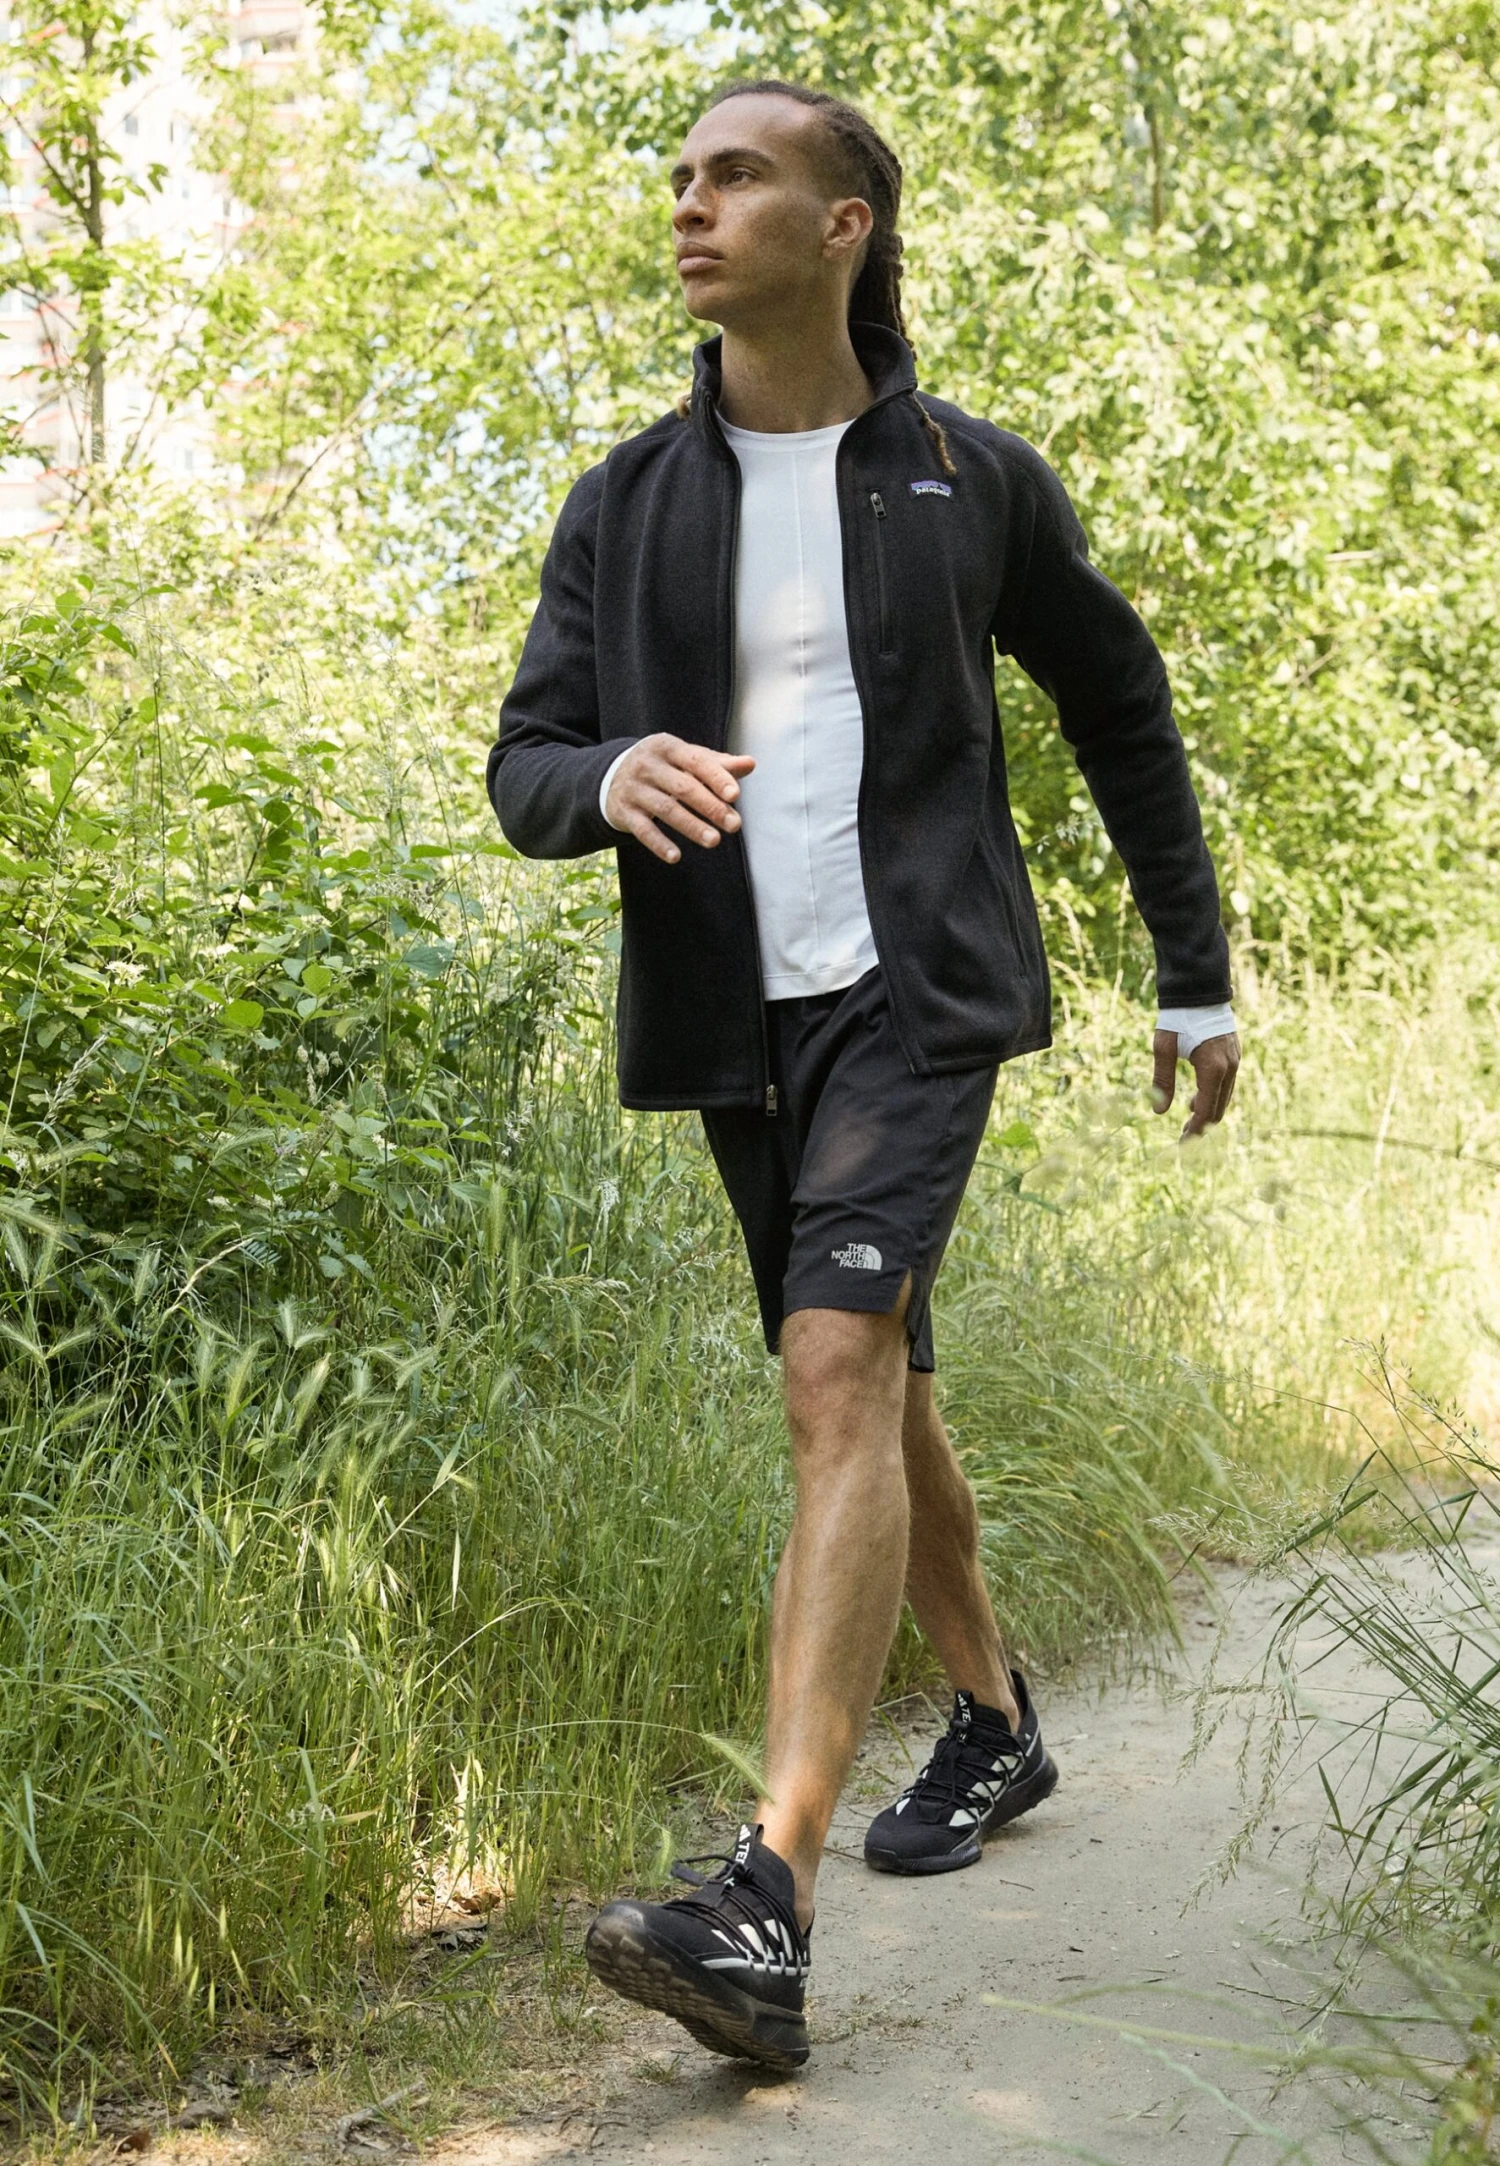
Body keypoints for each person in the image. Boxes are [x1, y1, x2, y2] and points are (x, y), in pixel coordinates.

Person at [487, 78, 1240, 2074]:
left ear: (845, 225)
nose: (689, 204)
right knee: (878, 1382)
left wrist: (1193, 975)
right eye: (680, 177)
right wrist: (605, 777)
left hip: (921, 997)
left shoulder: (970, 481)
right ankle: (993, 1721)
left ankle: (765, 1901)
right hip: (738, 1021)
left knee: (834, 1368)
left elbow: (1121, 700)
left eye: (734, 174)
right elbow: (524, 763)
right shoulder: (625, 503)